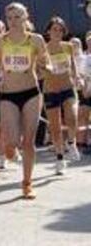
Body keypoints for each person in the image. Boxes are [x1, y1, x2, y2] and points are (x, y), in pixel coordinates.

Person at [0, 2, 50, 199]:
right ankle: (9, 148)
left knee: (29, 141)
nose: (13, 21)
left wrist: (46, 66)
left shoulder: (36, 39)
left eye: (17, 17)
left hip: (31, 92)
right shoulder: (0, 40)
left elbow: (45, 60)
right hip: (8, 94)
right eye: (10, 18)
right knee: (13, 141)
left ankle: (27, 183)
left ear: (25, 17)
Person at [43, 16, 80, 174]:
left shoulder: (68, 46)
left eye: (60, 30)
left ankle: (71, 142)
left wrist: (76, 77)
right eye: (54, 29)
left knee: (72, 117)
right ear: (49, 31)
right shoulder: (43, 48)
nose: (57, 32)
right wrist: (44, 69)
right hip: (51, 90)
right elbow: (38, 69)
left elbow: (72, 65)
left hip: (67, 87)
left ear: (64, 32)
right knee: (56, 128)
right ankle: (60, 158)